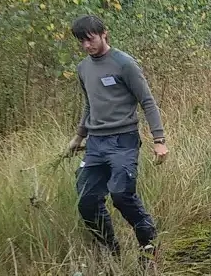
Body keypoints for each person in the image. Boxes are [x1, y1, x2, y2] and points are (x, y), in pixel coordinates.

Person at [63, 15, 168, 260]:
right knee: (86, 200)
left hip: (123, 140)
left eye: (90, 40)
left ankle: (148, 245)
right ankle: (112, 251)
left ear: (104, 34)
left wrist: (159, 140)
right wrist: (78, 137)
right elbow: (89, 105)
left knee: (121, 194)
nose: (87, 46)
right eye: (82, 42)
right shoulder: (83, 68)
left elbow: (147, 102)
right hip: (95, 144)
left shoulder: (124, 64)